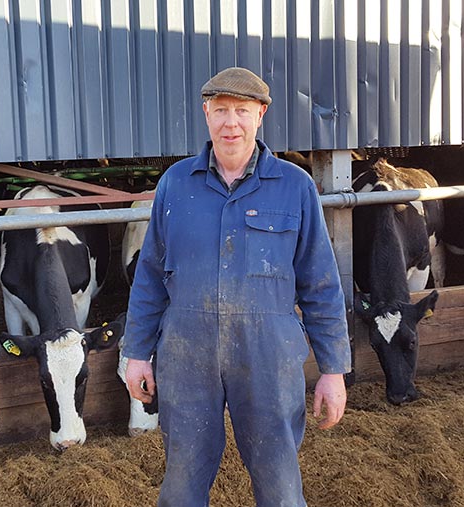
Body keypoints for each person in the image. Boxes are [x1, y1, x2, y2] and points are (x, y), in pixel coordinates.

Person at [123, 67, 351, 507]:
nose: (232, 123)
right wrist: (136, 354)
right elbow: (150, 276)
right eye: (222, 110)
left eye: (242, 111)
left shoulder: (295, 186)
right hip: (187, 356)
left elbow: (321, 284)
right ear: (206, 113)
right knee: (182, 481)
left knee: (279, 482)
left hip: (269, 356)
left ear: (260, 114)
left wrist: (333, 369)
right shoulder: (175, 184)